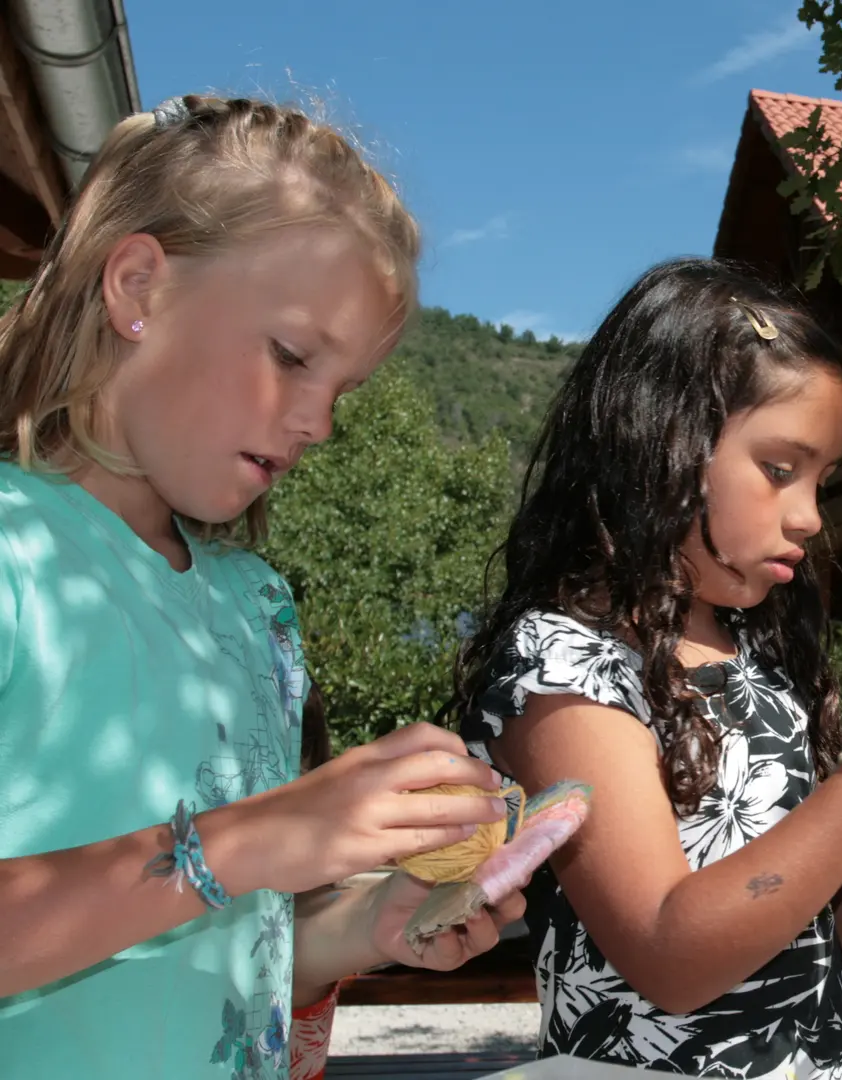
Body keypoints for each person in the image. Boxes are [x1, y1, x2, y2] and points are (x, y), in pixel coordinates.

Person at [0, 95, 526, 1079]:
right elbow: (217, 863)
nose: (320, 426)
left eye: (343, 390)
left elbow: (229, 952)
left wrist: (370, 924)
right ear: (138, 285)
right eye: (291, 356)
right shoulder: (14, 555)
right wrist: (250, 839)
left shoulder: (256, 607)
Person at [448, 257, 842, 1077]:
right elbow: (670, 957)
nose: (808, 514)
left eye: (822, 480)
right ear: (664, 441)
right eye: (778, 469)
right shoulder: (561, 667)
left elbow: (831, 933)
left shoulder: (755, 656)